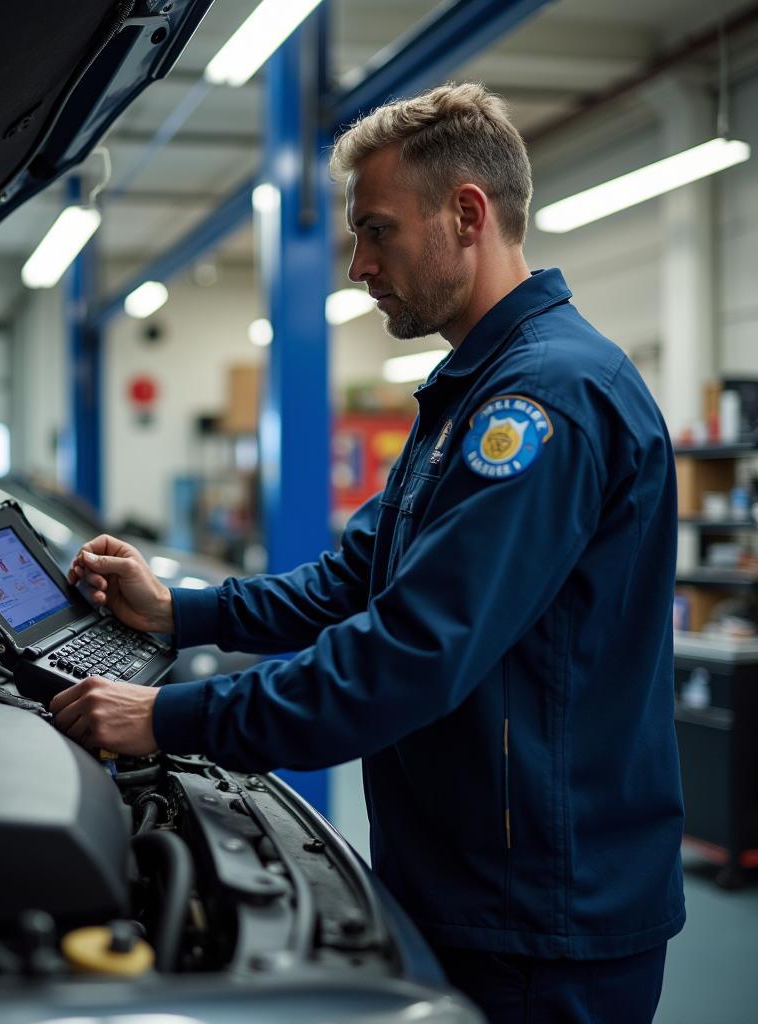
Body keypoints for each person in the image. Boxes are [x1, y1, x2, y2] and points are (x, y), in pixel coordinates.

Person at [51, 82, 685, 1022]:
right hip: (476, 879)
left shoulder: (541, 404)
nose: (358, 265)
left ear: (466, 215)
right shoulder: (468, 394)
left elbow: (409, 655)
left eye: (378, 230)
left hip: (539, 910)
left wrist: (168, 718)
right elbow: (356, 579)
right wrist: (178, 613)